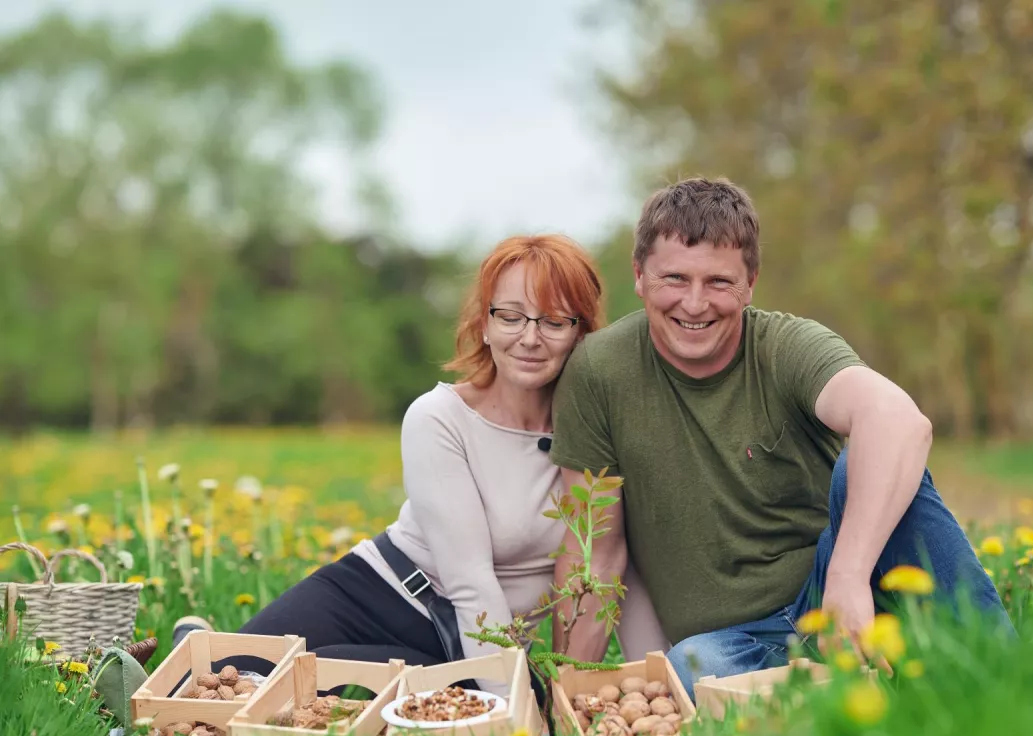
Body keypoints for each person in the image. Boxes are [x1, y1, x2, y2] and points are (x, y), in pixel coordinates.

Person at [545, 177, 1013, 699]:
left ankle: (1007, 676)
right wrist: (567, 693)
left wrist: (848, 576)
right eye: (674, 278)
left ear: (751, 283)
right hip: (736, 643)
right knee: (686, 669)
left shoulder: (787, 345)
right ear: (639, 276)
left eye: (719, 283)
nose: (695, 304)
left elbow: (901, 420)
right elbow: (595, 552)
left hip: (841, 591)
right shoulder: (599, 372)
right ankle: (877, 683)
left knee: (875, 456)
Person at [173, 234, 669, 697]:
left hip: (464, 640)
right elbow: (470, 580)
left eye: (554, 320)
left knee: (309, 693)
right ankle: (167, 666)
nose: (530, 338)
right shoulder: (439, 417)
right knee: (223, 685)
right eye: (511, 316)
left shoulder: (595, 431)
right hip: (374, 595)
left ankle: (202, 649)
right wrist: (516, 713)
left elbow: (616, 561)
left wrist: (659, 681)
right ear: (485, 323)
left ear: (582, 331)